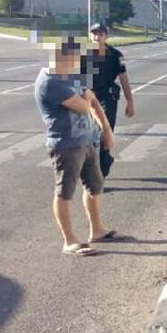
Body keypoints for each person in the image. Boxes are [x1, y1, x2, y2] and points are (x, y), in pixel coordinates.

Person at [35, 37, 117, 256]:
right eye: (75, 58)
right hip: (66, 145)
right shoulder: (50, 82)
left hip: (87, 140)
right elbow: (83, 105)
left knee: (95, 185)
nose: (78, 63)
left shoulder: (70, 75)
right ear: (61, 57)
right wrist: (87, 97)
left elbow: (94, 101)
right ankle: (69, 240)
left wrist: (106, 130)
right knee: (65, 191)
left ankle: (97, 229)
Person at [88, 23, 134, 177]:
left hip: (106, 98)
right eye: (93, 33)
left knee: (103, 135)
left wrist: (130, 101)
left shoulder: (115, 55)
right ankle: (105, 160)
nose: (96, 37)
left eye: (100, 34)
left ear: (106, 36)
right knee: (87, 139)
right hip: (87, 98)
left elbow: (123, 79)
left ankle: (100, 174)